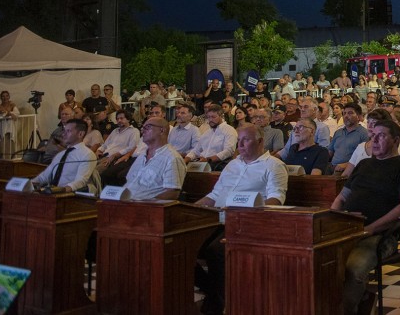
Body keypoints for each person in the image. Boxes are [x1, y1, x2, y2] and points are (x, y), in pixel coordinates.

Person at [196, 124, 288, 315]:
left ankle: (219, 304)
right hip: (216, 218)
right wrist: (189, 209)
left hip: (245, 222)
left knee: (216, 250)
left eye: (246, 140)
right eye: (239, 140)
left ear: (260, 142)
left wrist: (252, 216)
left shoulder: (274, 165)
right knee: (181, 246)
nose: (240, 144)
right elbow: (213, 195)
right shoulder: (232, 164)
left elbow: (276, 199)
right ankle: (215, 294)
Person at [332, 119, 400, 315]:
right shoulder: (363, 164)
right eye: (372, 136)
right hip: (345, 229)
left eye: (381, 136)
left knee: (352, 269)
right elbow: (340, 198)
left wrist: (369, 229)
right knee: (319, 264)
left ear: (396, 140)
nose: (374, 141)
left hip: (378, 235)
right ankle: (360, 300)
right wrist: (332, 220)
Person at [122, 117, 186, 200]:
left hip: (144, 208)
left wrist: (144, 203)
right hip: (123, 203)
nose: (142, 130)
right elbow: (129, 182)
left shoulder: (172, 158)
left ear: (162, 130)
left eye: (148, 127)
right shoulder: (142, 155)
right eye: (142, 127)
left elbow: (172, 193)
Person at [32, 118, 100, 194]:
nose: (63, 134)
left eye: (68, 131)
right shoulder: (60, 155)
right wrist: (28, 184)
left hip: (69, 196)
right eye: (64, 131)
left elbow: (81, 181)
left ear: (80, 134)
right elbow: (44, 177)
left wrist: (61, 190)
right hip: (53, 193)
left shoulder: (87, 155)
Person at [186, 104, 238, 169]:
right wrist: (185, 159)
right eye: (208, 117)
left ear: (221, 116)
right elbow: (196, 150)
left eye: (213, 117)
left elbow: (228, 151)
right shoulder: (207, 133)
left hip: (217, 164)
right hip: (202, 162)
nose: (210, 120)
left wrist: (208, 159)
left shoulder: (229, 130)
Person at [328, 102, 369, 174]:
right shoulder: (338, 132)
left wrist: (346, 165)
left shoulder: (364, 133)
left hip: (350, 170)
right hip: (332, 167)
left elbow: (364, 158)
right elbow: (330, 152)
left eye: (350, 113)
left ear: (358, 116)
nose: (346, 116)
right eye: (344, 113)